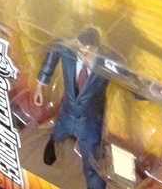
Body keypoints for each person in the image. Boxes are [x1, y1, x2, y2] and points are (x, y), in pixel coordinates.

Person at [33, 27, 109, 189]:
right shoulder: (67, 48)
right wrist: (40, 85)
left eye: (88, 51)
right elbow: (53, 52)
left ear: (97, 48)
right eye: (80, 50)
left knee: (93, 163)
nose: (83, 55)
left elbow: (129, 77)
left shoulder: (107, 61)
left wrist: (152, 90)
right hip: (66, 112)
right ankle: (53, 143)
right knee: (59, 131)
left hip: (90, 121)